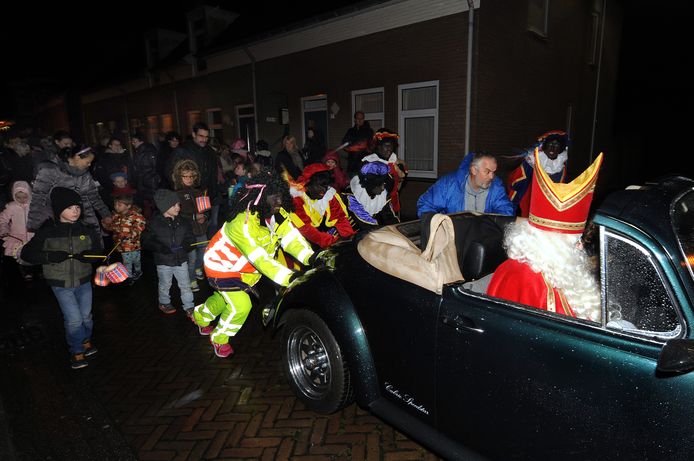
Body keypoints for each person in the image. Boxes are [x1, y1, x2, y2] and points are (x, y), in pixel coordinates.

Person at [193, 169, 314, 358]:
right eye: (274, 197)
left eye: (281, 196)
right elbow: (259, 258)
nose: (279, 202)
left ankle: (200, 316)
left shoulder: (278, 214)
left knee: (222, 299)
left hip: (245, 271)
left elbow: (291, 239)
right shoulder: (242, 223)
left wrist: (311, 258)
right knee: (241, 305)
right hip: (221, 266)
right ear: (260, 197)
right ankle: (219, 338)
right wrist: (289, 277)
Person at [487, 151, 604, 322]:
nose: (581, 247)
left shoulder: (559, 273)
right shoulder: (518, 276)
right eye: (575, 241)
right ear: (550, 242)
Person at [20, 187, 103, 369]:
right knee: (74, 319)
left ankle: (85, 340)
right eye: (70, 207)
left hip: (83, 280)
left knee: (86, 316)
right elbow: (27, 254)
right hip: (61, 284)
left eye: (78, 207)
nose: (75, 211)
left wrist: (90, 255)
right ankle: (76, 351)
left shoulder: (86, 229)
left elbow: (99, 252)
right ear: (58, 210)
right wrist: (49, 257)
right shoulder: (48, 231)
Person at [28, 145, 112, 232]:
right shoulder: (51, 170)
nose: (89, 165)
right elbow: (39, 197)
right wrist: (34, 224)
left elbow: (94, 196)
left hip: (86, 220)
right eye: (87, 162)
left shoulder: (85, 175)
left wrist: (106, 214)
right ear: (77, 157)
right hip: (59, 220)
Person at [141, 189, 195, 316]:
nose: (178, 207)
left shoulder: (183, 222)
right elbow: (146, 241)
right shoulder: (154, 223)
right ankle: (164, 302)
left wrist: (185, 246)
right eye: (174, 205)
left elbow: (190, 238)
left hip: (181, 260)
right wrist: (162, 248)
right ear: (164, 206)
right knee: (165, 284)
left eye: (178, 204)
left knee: (186, 284)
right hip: (164, 261)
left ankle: (189, 305)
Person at [417, 152, 514, 217]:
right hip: (453, 239)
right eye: (487, 172)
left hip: (482, 240)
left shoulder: (496, 186)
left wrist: (490, 227)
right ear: (474, 170)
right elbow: (425, 205)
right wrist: (441, 227)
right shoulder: (449, 184)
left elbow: (506, 211)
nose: (492, 177)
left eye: (493, 172)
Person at [289, 163, 355, 249]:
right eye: (320, 185)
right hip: (299, 239)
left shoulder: (329, 195)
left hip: (320, 234)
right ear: (308, 184)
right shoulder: (296, 199)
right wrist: (332, 242)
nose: (324, 190)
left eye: (326, 185)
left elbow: (340, 218)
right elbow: (305, 228)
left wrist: (349, 238)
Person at [507, 130, 569, 217]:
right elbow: (517, 188)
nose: (552, 148)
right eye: (550, 144)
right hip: (531, 210)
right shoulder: (531, 164)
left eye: (556, 145)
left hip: (550, 212)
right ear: (544, 146)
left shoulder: (561, 168)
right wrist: (510, 212)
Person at [172, 159, 209, 292]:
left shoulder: (198, 192)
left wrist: (204, 216)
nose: (189, 179)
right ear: (179, 177)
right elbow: (178, 214)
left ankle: (198, 268)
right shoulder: (177, 194)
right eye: (185, 176)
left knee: (204, 252)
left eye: (191, 176)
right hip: (188, 232)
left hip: (201, 229)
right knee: (191, 258)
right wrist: (194, 217)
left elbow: (205, 210)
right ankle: (191, 279)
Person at [360, 129, 408, 216]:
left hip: (393, 202)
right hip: (376, 206)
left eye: (391, 146)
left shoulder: (397, 162)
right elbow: (367, 186)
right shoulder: (371, 162)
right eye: (386, 146)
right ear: (379, 147)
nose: (389, 149)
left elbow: (401, 182)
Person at [342, 161, 399, 231]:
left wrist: (398, 228)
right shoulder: (352, 195)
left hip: (368, 232)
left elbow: (389, 216)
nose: (383, 188)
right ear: (371, 184)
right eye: (380, 184)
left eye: (384, 184)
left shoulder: (382, 195)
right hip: (346, 234)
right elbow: (363, 221)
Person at [103, 194, 146, 283]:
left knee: (136, 260)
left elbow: (140, 226)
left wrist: (131, 234)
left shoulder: (136, 216)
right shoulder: (116, 216)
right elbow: (112, 227)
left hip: (134, 244)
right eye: (115, 205)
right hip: (122, 245)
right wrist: (106, 225)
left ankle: (138, 271)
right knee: (127, 262)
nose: (116, 207)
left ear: (128, 206)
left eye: (119, 205)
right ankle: (129, 276)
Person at [0, 181, 35, 281]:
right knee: (20, 254)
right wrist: (4, 230)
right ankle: (25, 271)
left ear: (29, 193)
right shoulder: (11, 207)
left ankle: (34, 269)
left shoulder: (33, 206)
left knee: (33, 253)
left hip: (32, 235)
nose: (21, 200)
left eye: (24, 197)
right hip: (17, 236)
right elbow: (2, 220)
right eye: (18, 197)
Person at [130, 131, 160, 219]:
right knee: (148, 204)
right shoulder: (139, 151)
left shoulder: (148, 151)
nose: (132, 143)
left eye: (134, 141)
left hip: (150, 181)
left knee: (153, 204)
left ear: (141, 141)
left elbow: (155, 166)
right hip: (144, 181)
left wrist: (151, 177)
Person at [341, 111, 374, 176]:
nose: (359, 120)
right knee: (352, 181)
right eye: (358, 118)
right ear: (355, 120)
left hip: (364, 163)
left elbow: (371, 146)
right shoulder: (350, 131)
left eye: (361, 118)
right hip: (352, 163)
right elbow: (344, 144)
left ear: (364, 119)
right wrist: (354, 147)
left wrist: (358, 146)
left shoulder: (369, 131)